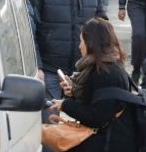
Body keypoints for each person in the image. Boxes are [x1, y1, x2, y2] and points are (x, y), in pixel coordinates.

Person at [33, 0, 106, 109]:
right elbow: (31, 30)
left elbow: (102, 24)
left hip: (82, 72)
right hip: (50, 70)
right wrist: (37, 66)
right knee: (50, 124)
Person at [47, 18, 138, 151]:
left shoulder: (106, 73)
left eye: (81, 41)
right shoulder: (103, 67)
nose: (79, 46)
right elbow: (93, 104)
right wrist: (72, 93)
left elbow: (97, 118)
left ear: (91, 43)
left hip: (108, 143)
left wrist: (65, 105)